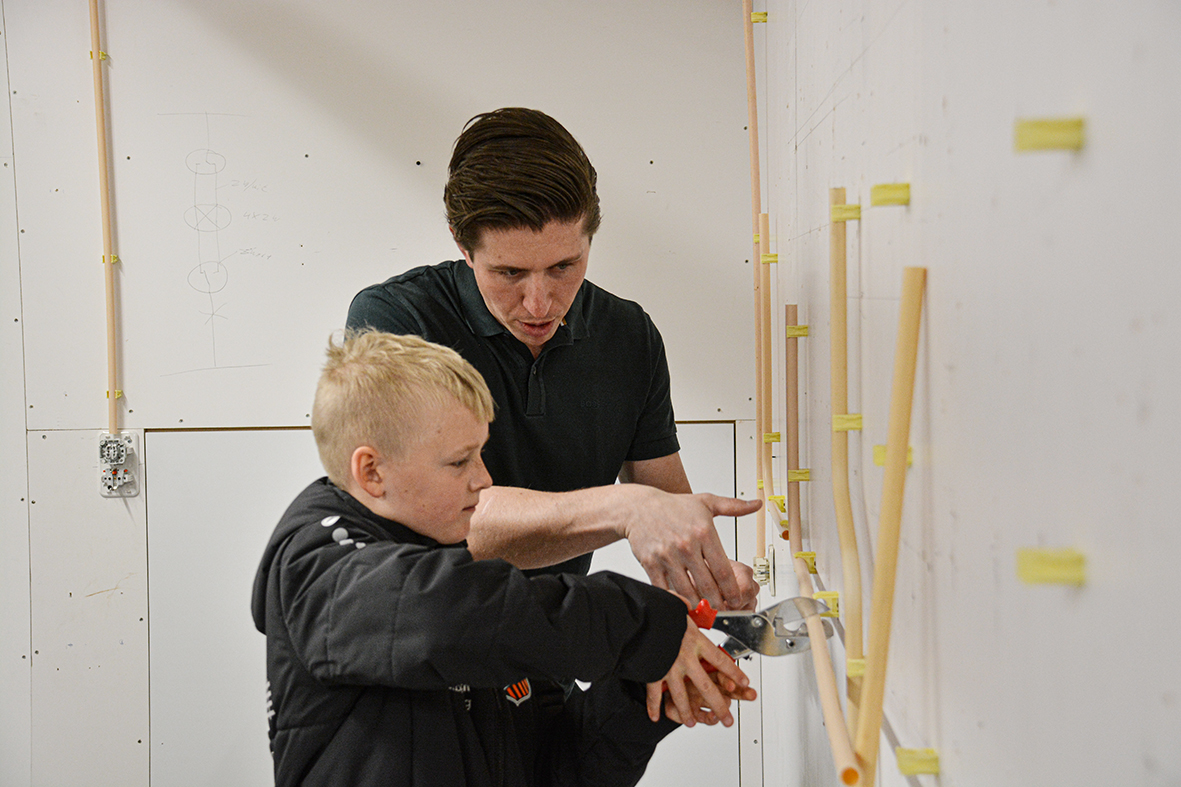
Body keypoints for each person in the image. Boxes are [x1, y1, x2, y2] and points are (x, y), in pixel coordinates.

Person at [251, 331, 756, 787]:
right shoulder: (318, 565)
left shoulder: (473, 591)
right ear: (372, 472)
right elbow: (442, 619)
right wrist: (639, 623)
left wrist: (638, 692)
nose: (484, 479)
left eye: (481, 454)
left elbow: (558, 771)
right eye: (459, 461)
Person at [347, 107, 761, 611]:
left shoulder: (630, 336)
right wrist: (626, 508)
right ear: (463, 245)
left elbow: (668, 508)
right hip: (414, 633)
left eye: (565, 266)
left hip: (548, 633)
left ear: (590, 239)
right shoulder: (397, 321)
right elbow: (441, 516)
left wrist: (712, 581)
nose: (540, 304)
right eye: (510, 273)